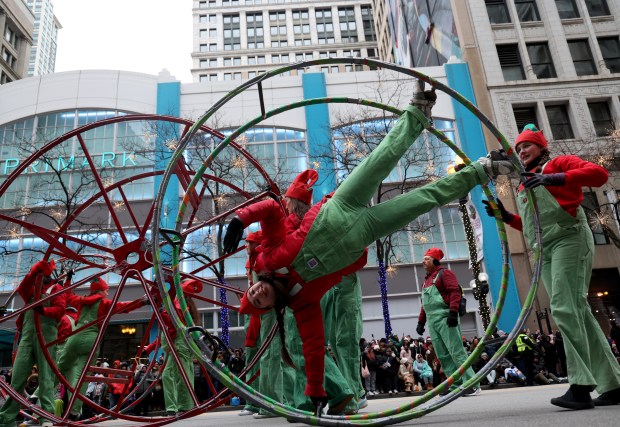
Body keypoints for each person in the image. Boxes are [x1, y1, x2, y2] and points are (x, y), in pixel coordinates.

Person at [224, 95, 516, 403]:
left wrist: (239, 219)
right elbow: (313, 345)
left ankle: (417, 112)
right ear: (269, 308)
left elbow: (270, 210)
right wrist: (316, 392)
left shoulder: (270, 256)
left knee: (379, 160)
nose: (255, 293)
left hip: (339, 206)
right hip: (362, 233)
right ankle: (486, 167)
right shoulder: (302, 303)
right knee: (425, 199)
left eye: (251, 292)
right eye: (257, 302)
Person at [482, 124, 620, 409]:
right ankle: (613, 384)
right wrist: (507, 216)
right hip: (545, 250)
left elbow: (600, 174)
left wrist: (554, 177)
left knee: (563, 307)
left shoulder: (557, 164)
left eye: (527, 146)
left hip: (570, 239)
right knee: (577, 311)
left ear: (541, 147)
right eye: (518, 148)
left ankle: (581, 385)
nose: (522, 151)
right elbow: (534, 225)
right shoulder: (524, 182)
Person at [56, 277, 148, 419]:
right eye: (106, 290)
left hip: (74, 338)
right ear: (101, 291)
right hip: (91, 339)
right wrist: (142, 302)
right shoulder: (104, 303)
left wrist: (67, 281)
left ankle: (36, 396)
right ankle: (74, 411)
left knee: (59, 369)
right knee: (82, 378)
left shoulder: (81, 301)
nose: (108, 293)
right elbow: (123, 307)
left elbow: (67, 295)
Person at [0, 260, 66, 427]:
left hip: (46, 337)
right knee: (17, 377)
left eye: (41, 273)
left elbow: (59, 311)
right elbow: (23, 288)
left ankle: (47, 416)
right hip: (28, 336)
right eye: (37, 273)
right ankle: (7, 417)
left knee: (46, 378)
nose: (39, 277)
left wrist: (43, 310)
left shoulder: (56, 289)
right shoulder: (32, 289)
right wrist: (33, 272)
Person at [415, 248, 481, 396]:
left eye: (426, 258)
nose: (423, 261)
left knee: (456, 352)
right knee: (443, 355)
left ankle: (472, 383)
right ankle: (455, 383)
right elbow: (425, 304)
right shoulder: (426, 281)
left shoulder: (445, 273)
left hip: (445, 317)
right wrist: (421, 322)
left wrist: (453, 312)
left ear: (435, 260)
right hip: (433, 321)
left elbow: (454, 292)